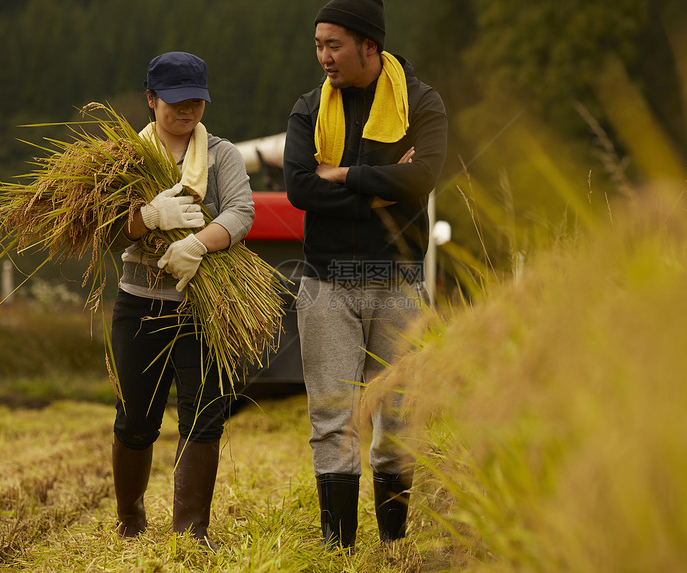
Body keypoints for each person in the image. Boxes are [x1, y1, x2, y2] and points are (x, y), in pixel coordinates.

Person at [283, 0, 447, 549]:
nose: (323, 56)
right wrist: (380, 189)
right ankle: (340, 552)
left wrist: (345, 175)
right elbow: (301, 189)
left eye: (333, 45)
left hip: (399, 285)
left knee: (398, 420)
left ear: (369, 47)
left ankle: (393, 548)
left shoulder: (422, 103)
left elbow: (421, 180)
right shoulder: (308, 108)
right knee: (333, 420)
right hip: (326, 286)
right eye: (317, 45)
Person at [107, 51, 254, 551]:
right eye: (176, 102)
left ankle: (191, 531)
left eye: (196, 101)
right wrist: (145, 217)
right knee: (136, 419)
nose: (188, 111)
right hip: (140, 304)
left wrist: (196, 243)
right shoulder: (125, 159)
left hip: (204, 306)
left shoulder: (221, 155)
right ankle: (130, 518)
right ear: (151, 100)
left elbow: (241, 212)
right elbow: (106, 232)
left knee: (205, 413)